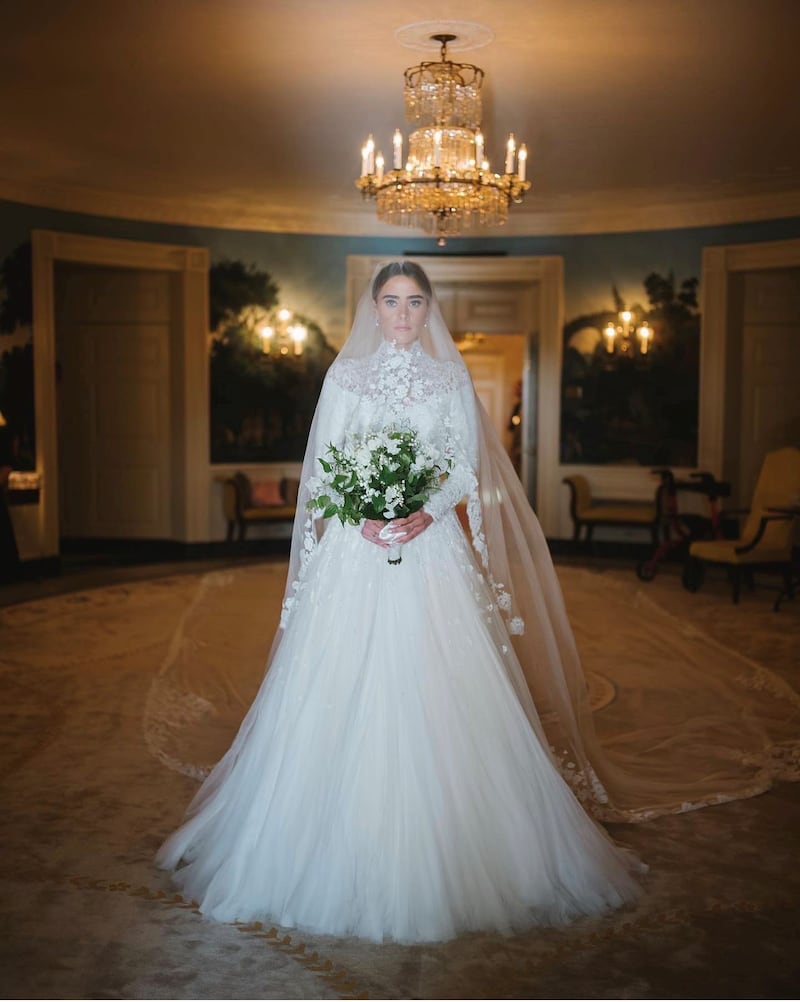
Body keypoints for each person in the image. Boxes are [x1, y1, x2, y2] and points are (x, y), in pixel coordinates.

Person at [156, 260, 645, 943]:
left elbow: (463, 465)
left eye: (416, 302)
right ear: (374, 308)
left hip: (430, 549)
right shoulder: (345, 376)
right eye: (392, 302)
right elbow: (326, 463)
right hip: (356, 552)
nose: (404, 315)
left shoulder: (448, 378)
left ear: (429, 309)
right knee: (336, 686)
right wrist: (357, 515)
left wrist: (428, 514)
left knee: (440, 687)